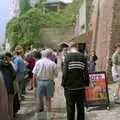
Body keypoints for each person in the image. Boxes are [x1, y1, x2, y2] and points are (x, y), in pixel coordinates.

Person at [62, 42, 89, 120]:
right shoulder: (83, 57)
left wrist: (63, 83)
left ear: (70, 48)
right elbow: (86, 73)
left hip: (70, 88)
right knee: (80, 108)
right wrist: (86, 84)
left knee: (70, 108)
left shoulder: (67, 57)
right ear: (76, 47)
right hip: (80, 87)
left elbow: (65, 73)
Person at [32, 49, 58, 118]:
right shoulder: (52, 63)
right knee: (48, 99)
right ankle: (49, 115)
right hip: (49, 82)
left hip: (40, 82)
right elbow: (56, 75)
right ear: (50, 55)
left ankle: (37, 115)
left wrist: (34, 83)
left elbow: (34, 74)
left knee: (38, 99)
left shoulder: (38, 62)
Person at [0, 52, 16, 120]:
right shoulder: (10, 65)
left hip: (3, 88)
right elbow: (14, 74)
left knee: (3, 105)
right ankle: (11, 117)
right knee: (10, 103)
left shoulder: (1, 66)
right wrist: (10, 81)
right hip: (10, 86)